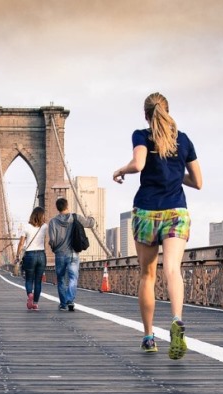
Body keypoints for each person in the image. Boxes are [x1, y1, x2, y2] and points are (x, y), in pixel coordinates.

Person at [112, 92, 203, 359]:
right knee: (173, 269)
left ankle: (149, 336)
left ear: (145, 114)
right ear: (167, 110)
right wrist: (176, 174)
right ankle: (176, 319)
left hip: (147, 211)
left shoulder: (141, 135)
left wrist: (120, 170)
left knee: (147, 275)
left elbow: (139, 163)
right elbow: (198, 182)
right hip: (176, 210)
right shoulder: (183, 140)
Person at [48, 197, 95, 312]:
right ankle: (70, 300)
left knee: (61, 279)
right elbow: (90, 223)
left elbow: (52, 240)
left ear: (57, 208)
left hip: (60, 254)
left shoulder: (53, 222)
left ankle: (63, 304)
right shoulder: (76, 217)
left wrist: (55, 249)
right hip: (73, 254)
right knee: (73, 278)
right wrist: (91, 217)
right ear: (67, 206)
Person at [15, 206, 48, 311]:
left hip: (29, 255)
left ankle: (30, 294)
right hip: (41, 255)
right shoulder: (45, 227)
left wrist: (17, 256)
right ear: (42, 216)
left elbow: (21, 243)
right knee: (38, 281)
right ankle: (35, 303)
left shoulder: (26, 227)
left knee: (29, 279)